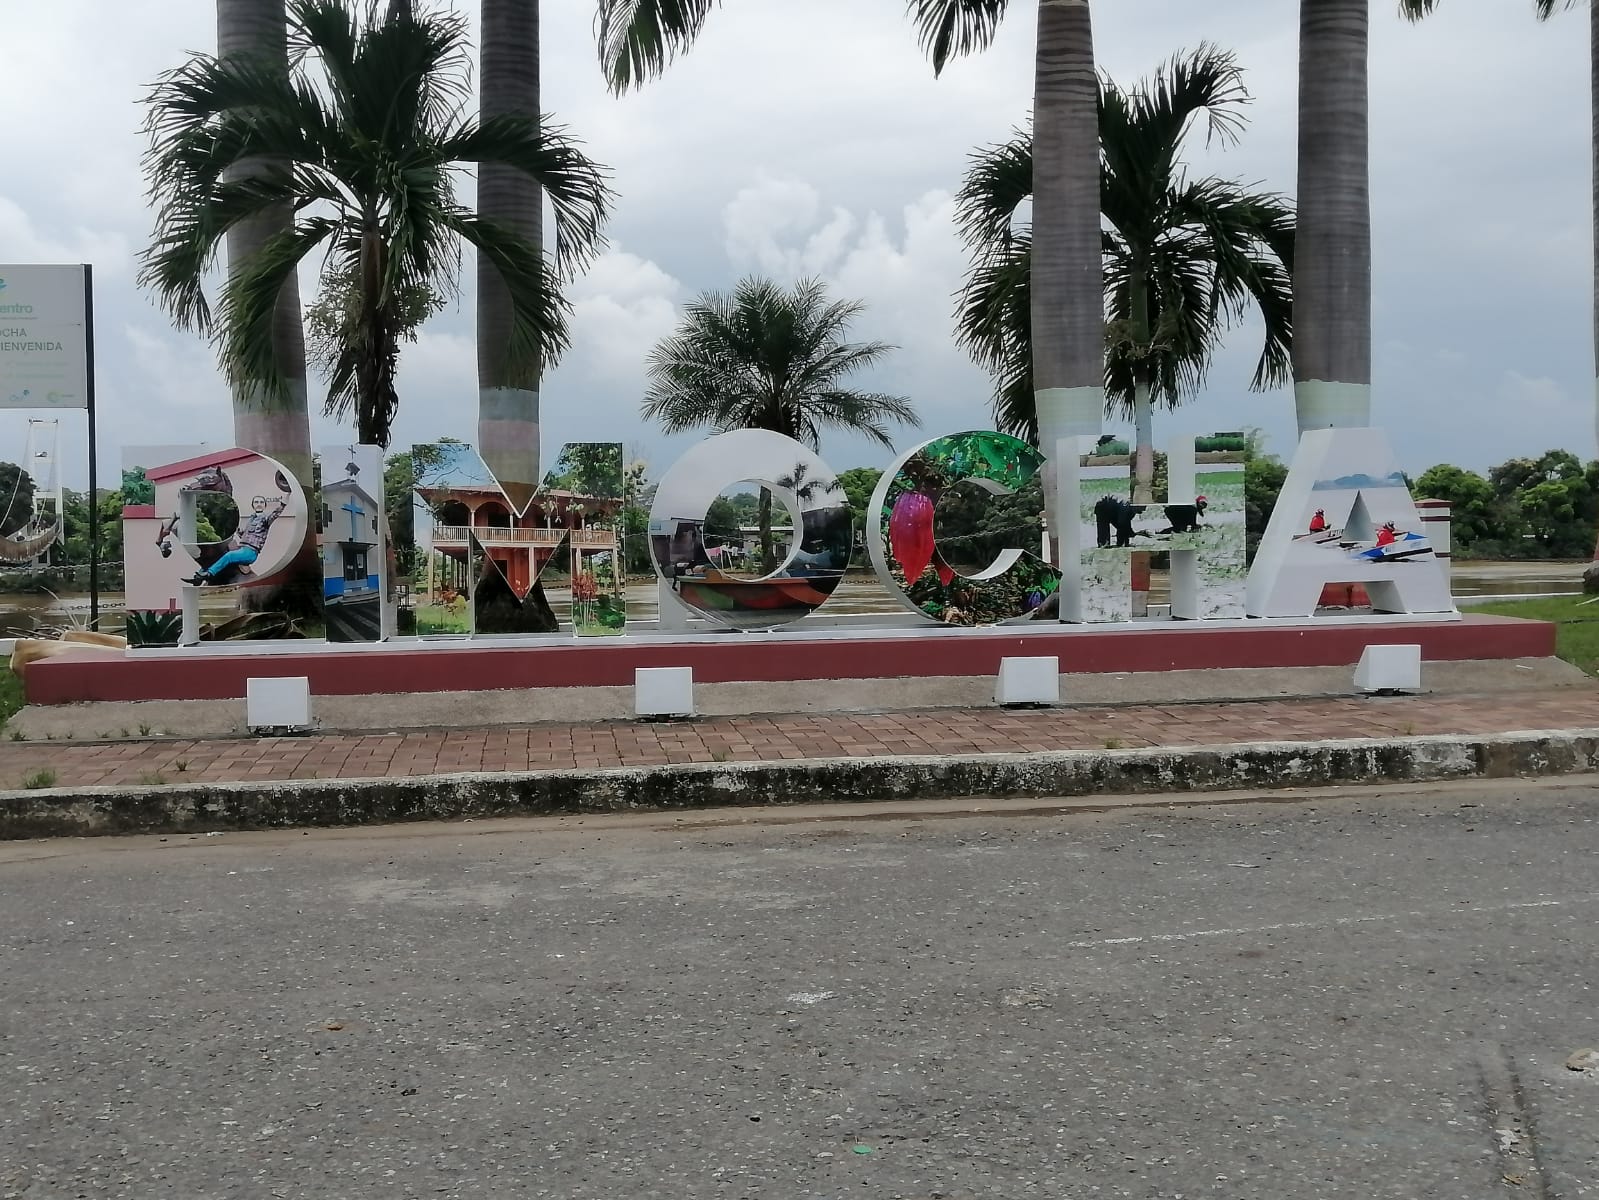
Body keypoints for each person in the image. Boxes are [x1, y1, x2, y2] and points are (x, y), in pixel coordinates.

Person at [185, 494, 288, 585]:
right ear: (253, 505)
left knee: (229, 556)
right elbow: (243, 534)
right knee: (218, 554)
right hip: (242, 548)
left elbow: (275, 514)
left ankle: (209, 574)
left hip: (250, 552)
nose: (259, 504)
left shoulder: (265, 519)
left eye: (261, 502)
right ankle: (199, 576)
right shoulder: (251, 519)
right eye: (256, 502)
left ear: (265, 505)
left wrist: (283, 503)